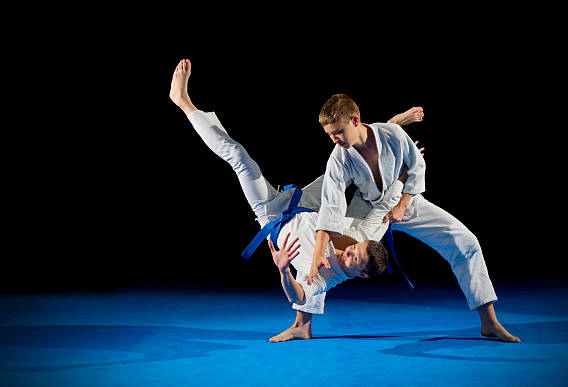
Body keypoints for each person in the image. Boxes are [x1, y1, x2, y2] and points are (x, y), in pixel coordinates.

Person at [169, 59, 417, 342]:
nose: (348, 253)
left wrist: (284, 268)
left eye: (353, 259)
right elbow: (384, 205)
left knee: (239, 158)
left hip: (272, 216)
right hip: (308, 205)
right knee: (350, 163)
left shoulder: (327, 278)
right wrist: (404, 174)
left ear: (359, 274)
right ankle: (393, 125)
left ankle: (183, 102)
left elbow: (299, 294)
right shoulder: (367, 235)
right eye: (355, 249)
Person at [309, 94, 520, 343]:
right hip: (366, 207)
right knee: (331, 257)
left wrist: (402, 204)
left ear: (355, 120)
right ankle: (303, 324)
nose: (334, 139)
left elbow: (417, 167)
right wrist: (316, 256)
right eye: (330, 135)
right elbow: (332, 205)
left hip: (405, 201)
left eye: (338, 132)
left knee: (466, 241)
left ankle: (489, 322)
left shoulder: (392, 135)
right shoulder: (339, 157)